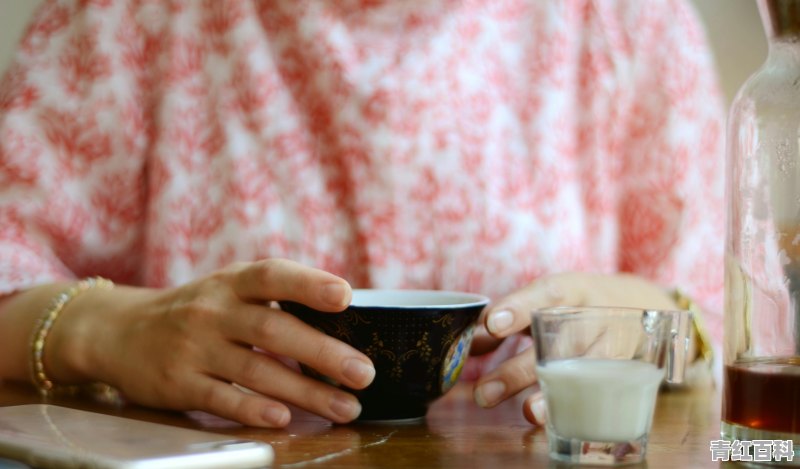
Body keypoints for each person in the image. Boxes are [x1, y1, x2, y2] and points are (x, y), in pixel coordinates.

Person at [0, 0, 725, 428]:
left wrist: (658, 320)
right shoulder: (131, 19)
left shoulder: (628, 21)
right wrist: (108, 329)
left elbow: (728, 333)